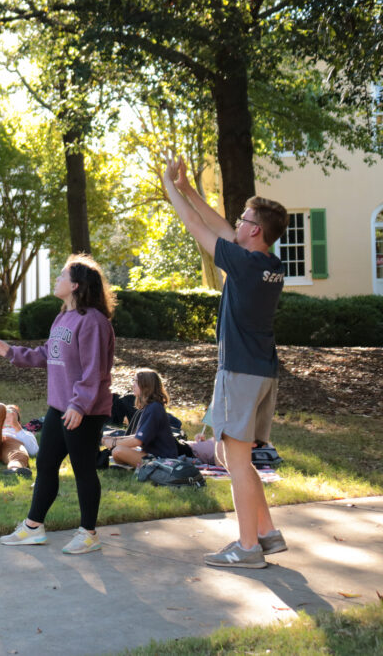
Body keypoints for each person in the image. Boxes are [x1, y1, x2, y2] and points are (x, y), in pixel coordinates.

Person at [161, 154, 289, 569]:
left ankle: (247, 548)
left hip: (240, 372)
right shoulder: (266, 264)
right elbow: (219, 229)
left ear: (254, 229)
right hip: (261, 372)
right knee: (236, 456)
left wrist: (169, 187)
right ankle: (267, 533)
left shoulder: (247, 264)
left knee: (232, 460)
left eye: (242, 218)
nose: (236, 221)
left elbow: (199, 229)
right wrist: (187, 188)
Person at [0, 254, 116, 554]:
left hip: (83, 411)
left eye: (62, 275)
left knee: (84, 469)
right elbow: (47, 353)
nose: (57, 279)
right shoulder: (63, 318)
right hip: (60, 406)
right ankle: (33, 527)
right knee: (46, 464)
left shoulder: (94, 322)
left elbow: (94, 370)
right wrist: (12, 353)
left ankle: (89, 534)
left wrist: (79, 406)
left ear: (75, 285)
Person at [101, 369, 178, 468]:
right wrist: (114, 439)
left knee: (118, 450)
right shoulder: (150, 407)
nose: (133, 385)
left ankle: (143, 467)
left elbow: (137, 441)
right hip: (150, 454)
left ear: (146, 386)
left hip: (162, 459)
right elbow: (137, 436)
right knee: (117, 452)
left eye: (136, 382)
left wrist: (114, 443)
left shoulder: (154, 408)